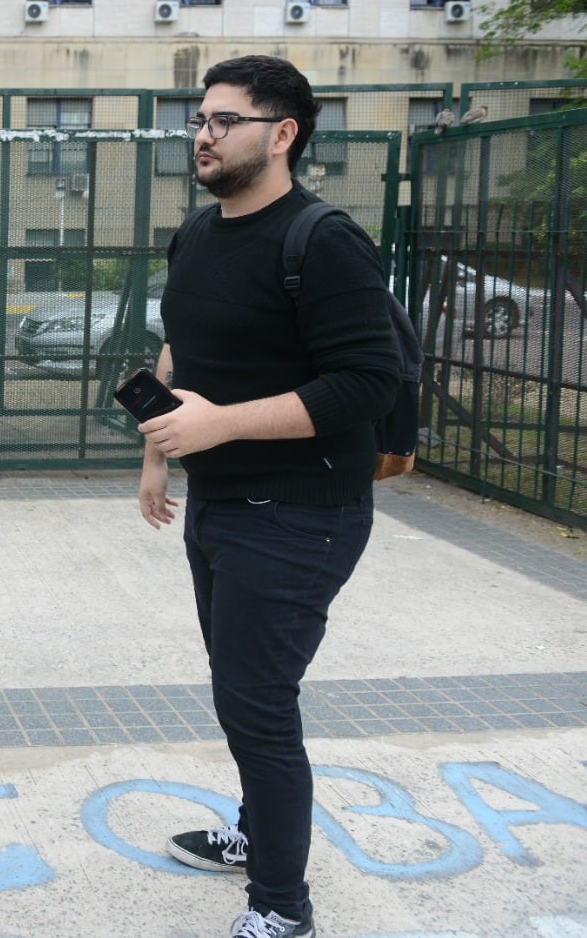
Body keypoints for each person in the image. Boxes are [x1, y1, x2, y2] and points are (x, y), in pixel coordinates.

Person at [135, 55, 400, 938]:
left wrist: (222, 426)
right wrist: (163, 444)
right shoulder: (198, 235)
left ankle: (283, 909)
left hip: (302, 514)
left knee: (258, 703)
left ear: (282, 134)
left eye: (223, 120)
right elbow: (186, 347)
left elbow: (365, 382)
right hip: (218, 505)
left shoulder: (323, 240)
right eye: (199, 120)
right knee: (238, 690)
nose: (203, 135)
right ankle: (256, 833)